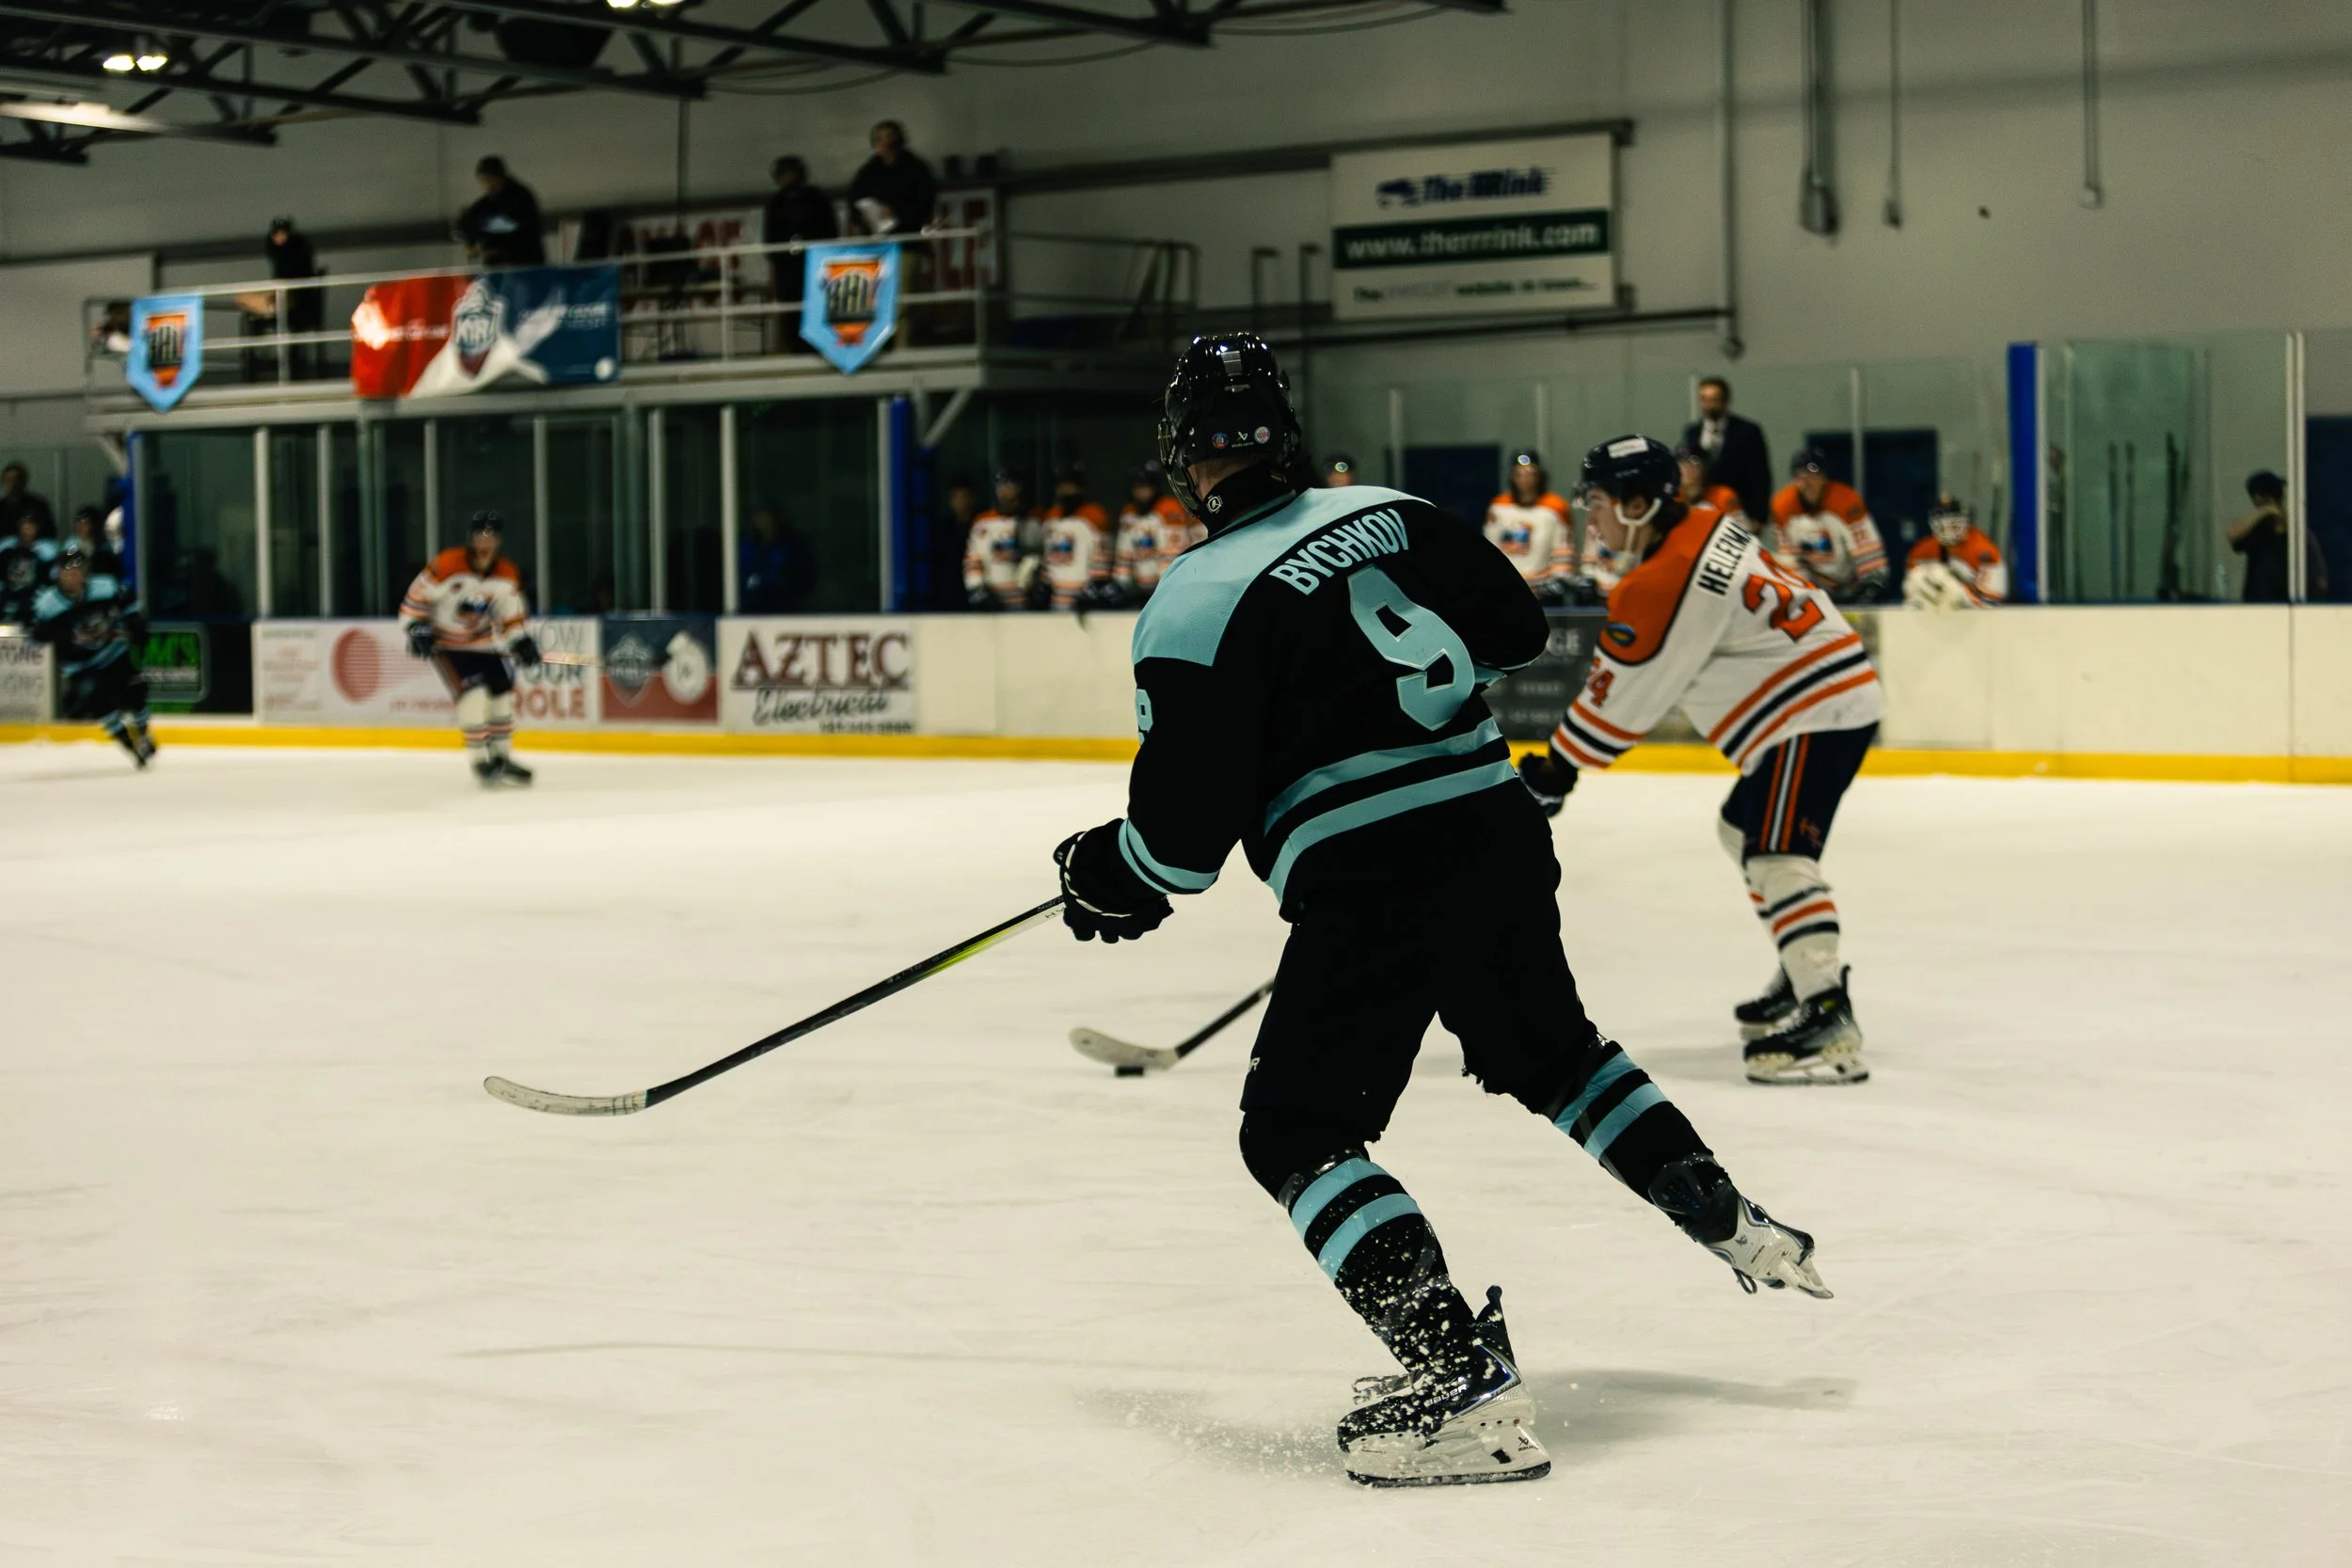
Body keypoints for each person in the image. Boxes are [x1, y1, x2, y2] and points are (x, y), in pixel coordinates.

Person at [1049, 335, 1831, 1489]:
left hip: (1370, 874)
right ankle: (1725, 1211)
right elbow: (1515, 633)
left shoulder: (1194, 600)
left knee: (1297, 1133)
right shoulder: (1395, 509)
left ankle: (1459, 1381)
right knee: (1550, 1052)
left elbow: (1174, 846)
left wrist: (1104, 871)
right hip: (1493, 829)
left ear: (1181, 455)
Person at [1518, 436, 1883, 1086]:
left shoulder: (1664, 579)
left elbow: (1621, 702)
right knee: (1742, 831)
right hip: (1826, 697)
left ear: (1636, 505)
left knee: (1775, 855)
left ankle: (1826, 1009)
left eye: (1598, 502)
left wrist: (1555, 769)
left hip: (1812, 714)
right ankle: (1804, 972)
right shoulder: (1705, 522)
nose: (1590, 518)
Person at [398, 511, 542, 786]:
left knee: (502, 693)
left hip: (483, 645)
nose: (485, 542)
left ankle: (502, 757)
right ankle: (480, 760)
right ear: (471, 537)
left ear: (499, 540)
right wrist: (417, 628)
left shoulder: (507, 573)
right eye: (481, 535)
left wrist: (521, 641)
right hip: (448, 646)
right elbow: (414, 602)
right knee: (474, 695)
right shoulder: (447, 565)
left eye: (491, 536)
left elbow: (510, 614)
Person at [30, 546, 152, 768]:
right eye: (68, 571)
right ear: (58, 574)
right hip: (80, 665)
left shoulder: (105, 587)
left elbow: (130, 604)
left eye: (78, 570)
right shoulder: (48, 603)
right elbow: (35, 635)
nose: (73, 575)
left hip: (112, 652)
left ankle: (143, 736)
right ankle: (131, 746)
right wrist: (52, 634)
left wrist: (135, 624)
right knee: (98, 702)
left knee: (136, 692)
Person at [848, 121, 937, 343]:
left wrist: (896, 212)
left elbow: (926, 202)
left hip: (907, 241)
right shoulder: (869, 171)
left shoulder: (915, 168)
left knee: (904, 295)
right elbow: (854, 202)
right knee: (880, 296)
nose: (885, 142)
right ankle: (882, 343)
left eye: (889, 137)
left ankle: (903, 345)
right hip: (878, 243)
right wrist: (870, 215)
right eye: (880, 138)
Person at [1770, 449, 1888, 603]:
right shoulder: (1782, 506)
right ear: (1794, 480)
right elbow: (1789, 557)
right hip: (1813, 584)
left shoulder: (1846, 501)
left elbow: (1867, 549)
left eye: (1813, 474)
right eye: (1801, 476)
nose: (1807, 482)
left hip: (1850, 584)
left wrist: (1872, 581)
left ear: (1824, 478)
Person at [761, 156, 838, 354]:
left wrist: (819, 251)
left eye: (790, 172)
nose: (787, 178)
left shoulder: (817, 198)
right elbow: (770, 237)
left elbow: (830, 231)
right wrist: (781, 254)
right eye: (783, 174)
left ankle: (820, 346)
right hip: (788, 267)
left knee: (817, 306)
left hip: (815, 263)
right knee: (791, 310)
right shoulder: (775, 203)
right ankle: (795, 348)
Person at [1482, 450, 1574, 601]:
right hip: (1505, 588)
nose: (1524, 479)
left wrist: (1560, 580)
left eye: (1530, 473)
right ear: (1512, 476)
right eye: (1519, 473)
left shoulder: (1556, 507)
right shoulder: (1498, 506)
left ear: (1539, 476)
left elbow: (1563, 549)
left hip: (1543, 591)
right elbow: (1489, 548)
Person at [1680, 376, 1772, 523]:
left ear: (1725, 401)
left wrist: (1758, 516)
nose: (1709, 405)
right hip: (1702, 506)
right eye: (1704, 399)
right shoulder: (1693, 432)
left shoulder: (1747, 432)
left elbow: (1759, 476)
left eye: (1714, 399)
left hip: (1737, 506)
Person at [2226, 470, 2328, 603]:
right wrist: (2265, 511)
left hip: (2286, 605)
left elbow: (2320, 579)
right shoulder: (2258, 531)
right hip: (2257, 606)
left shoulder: (2298, 533)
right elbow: (2233, 534)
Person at [1112, 461, 1201, 604]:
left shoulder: (1169, 509)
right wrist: (1123, 586)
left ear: (1155, 487)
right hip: (1141, 589)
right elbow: (1124, 556)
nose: (1141, 492)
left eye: (1145, 486)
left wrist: (1163, 592)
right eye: (1137, 487)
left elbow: (1171, 559)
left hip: (1170, 590)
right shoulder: (1129, 513)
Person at [1903, 496, 2008, 609]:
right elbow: (1912, 596)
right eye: (1942, 527)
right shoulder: (1922, 551)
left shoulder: (1983, 550)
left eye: (1954, 526)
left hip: (1973, 615)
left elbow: (1992, 602)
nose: (1948, 533)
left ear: (1966, 523)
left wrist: (1957, 591)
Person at [961, 467, 1040, 610]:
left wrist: (1034, 579)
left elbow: (1038, 555)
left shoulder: (1033, 521)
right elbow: (973, 559)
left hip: (1022, 602)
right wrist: (977, 588)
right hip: (992, 602)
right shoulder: (983, 522)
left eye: (1011, 485)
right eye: (1001, 485)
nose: (1005, 491)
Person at [1040, 461, 1114, 610]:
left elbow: (1102, 557)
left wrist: (1097, 585)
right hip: (1056, 602)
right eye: (1062, 485)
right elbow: (1049, 557)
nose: (1066, 490)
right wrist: (1044, 584)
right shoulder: (1050, 517)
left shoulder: (1095, 515)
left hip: (1084, 602)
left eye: (1070, 484)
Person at [456, 157, 546, 268]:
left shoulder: (520, 198)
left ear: (499, 177)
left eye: (489, 179)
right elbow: (470, 223)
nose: (486, 185)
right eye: (483, 180)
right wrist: (470, 242)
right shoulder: (486, 203)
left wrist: (486, 244)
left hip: (524, 263)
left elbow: (511, 226)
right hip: (498, 267)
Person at [739, 504, 818, 613]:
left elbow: (804, 579)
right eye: (760, 516)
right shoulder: (745, 546)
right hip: (748, 610)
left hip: (785, 610)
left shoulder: (792, 547)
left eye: (768, 516)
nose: (765, 521)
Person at [0, 514, 57, 625]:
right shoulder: (7, 550)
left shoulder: (46, 552)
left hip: (33, 595)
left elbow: (49, 578)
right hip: (7, 594)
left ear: (37, 528)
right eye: (24, 527)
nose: (26, 531)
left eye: (30, 527)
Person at [1677, 442, 1744, 517]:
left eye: (1693, 463)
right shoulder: (1672, 497)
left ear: (1704, 467)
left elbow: (1741, 527)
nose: (1686, 469)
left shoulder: (1723, 496)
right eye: (1682, 463)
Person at [0, 462, 56, 538]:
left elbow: (50, 531)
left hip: (35, 545)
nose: (13, 484)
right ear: (3, 482)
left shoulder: (38, 505)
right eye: (9, 480)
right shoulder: (1, 507)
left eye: (16, 480)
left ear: (24, 481)